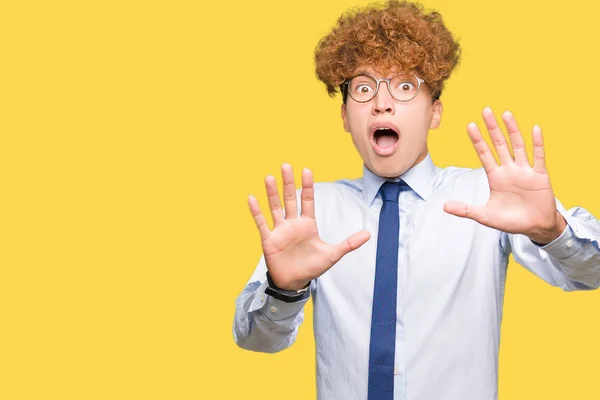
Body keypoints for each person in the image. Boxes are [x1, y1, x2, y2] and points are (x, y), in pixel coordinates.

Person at [232, 1, 600, 399]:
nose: (382, 102)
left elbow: (592, 273)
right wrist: (284, 291)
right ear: (344, 116)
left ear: (435, 112)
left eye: (405, 87)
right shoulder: (311, 215)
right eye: (363, 88)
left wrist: (552, 231)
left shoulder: (489, 199)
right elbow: (256, 340)